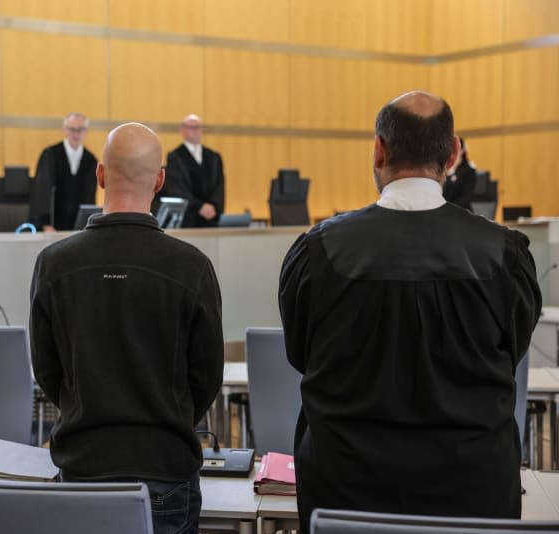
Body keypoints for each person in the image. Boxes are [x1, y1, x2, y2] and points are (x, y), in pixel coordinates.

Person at [278, 91, 541, 533]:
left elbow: (302, 354)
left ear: (379, 149)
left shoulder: (318, 252)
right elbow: (510, 353)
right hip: (474, 493)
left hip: (345, 493)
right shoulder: (504, 254)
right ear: (453, 153)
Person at [30, 122, 224, 533]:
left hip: (82, 467)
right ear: (160, 181)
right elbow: (206, 377)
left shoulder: (54, 264)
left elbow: (47, 371)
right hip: (165, 467)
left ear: (100, 175)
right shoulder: (192, 267)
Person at [30, 112, 98, 231]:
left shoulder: (91, 160)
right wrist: (46, 223)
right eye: (72, 129)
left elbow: (90, 197)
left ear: (86, 131)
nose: (76, 134)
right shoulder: (50, 155)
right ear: (65, 130)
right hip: (52, 226)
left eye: (80, 129)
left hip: (80, 229)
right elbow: (42, 191)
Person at [157, 114, 225, 227]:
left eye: (197, 127)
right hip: (189, 218)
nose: (194, 130)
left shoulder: (214, 156)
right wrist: (198, 207)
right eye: (190, 127)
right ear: (182, 130)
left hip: (211, 217)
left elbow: (219, 185)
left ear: (202, 130)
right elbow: (176, 188)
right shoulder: (175, 157)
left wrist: (214, 205)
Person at [442, 136, 477, 210]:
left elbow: (466, 197)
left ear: (461, 150)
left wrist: (449, 210)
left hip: (462, 213)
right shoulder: (443, 170)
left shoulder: (469, 171)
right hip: (444, 213)